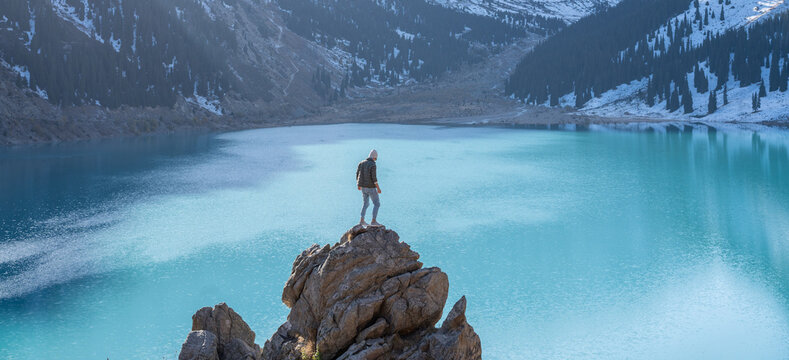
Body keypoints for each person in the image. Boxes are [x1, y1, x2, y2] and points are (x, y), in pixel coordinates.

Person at [357, 149, 382, 226]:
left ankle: (362, 220)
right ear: (374, 157)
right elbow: (374, 178)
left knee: (366, 204)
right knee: (377, 204)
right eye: (376, 158)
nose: (376, 160)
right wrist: (378, 188)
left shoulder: (361, 163)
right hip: (371, 188)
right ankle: (373, 221)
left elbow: (357, 174)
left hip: (363, 188)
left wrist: (358, 184)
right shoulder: (372, 165)